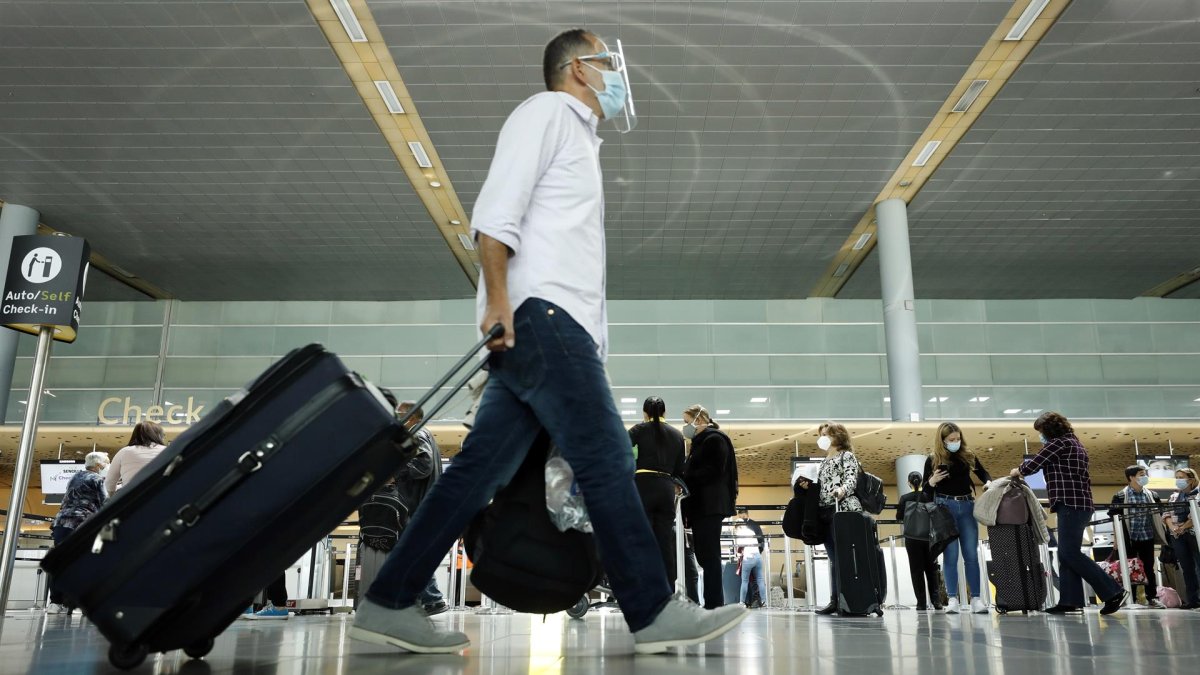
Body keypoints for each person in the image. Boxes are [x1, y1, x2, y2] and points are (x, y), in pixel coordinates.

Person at [350, 28, 747, 655]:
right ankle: (651, 610)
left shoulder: (580, 140)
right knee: (608, 456)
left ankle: (388, 599)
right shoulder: (546, 113)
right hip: (544, 318)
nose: (617, 73)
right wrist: (501, 304)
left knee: (475, 473)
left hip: (548, 325)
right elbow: (495, 209)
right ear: (579, 70)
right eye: (607, 62)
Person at [1010, 412, 1125, 615]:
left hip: (1071, 504)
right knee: (1066, 553)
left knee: (1070, 553)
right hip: (1080, 504)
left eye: (1041, 432)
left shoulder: (1058, 444)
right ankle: (1070, 600)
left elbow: (1032, 465)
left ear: (1049, 430)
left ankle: (1113, 591)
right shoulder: (1075, 443)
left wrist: (1016, 471)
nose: (1041, 436)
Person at [922, 422, 990, 614]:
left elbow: (983, 473)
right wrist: (932, 481)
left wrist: (989, 482)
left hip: (967, 506)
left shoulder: (968, 456)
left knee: (971, 555)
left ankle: (976, 598)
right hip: (945, 508)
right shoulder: (932, 459)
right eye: (951, 440)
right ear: (942, 441)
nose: (956, 442)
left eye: (958, 439)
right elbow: (926, 491)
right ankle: (952, 598)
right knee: (950, 556)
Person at [681, 404, 739, 610]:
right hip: (702, 506)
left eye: (687, 422)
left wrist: (686, 476)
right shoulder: (700, 442)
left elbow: (714, 471)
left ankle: (714, 602)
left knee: (710, 554)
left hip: (710, 505)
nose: (685, 426)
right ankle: (713, 601)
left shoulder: (714, 439)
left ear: (699, 419)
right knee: (705, 554)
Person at [394, 400, 448, 616]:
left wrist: (397, 466)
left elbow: (422, 467)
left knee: (413, 554)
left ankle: (432, 599)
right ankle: (425, 599)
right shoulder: (423, 434)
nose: (397, 418)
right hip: (425, 505)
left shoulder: (416, 434)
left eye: (400, 415)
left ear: (413, 417)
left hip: (418, 506)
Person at [629, 396, 686, 588]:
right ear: (664, 413)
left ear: (645, 412)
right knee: (664, 540)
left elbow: (619, 451)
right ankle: (667, 588)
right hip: (666, 487)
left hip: (643, 485)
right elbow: (680, 468)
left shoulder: (637, 430)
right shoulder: (677, 435)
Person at [47, 452, 109, 615]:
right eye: (106, 464)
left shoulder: (74, 477)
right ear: (98, 466)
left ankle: (55, 603)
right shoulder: (97, 479)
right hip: (81, 522)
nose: (106, 467)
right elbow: (105, 502)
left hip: (62, 522)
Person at [814, 422, 862, 616]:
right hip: (826, 511)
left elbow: (852, 479)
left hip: (843, 510)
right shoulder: (825, 460)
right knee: (834, 559)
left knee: (844, 558)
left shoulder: (846, 456)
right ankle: (835, 599)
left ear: (837, 436)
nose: (822, 438)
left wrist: (841, 490)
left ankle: (847, 599)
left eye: (826, 434)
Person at [1108, 465, 1165, 609]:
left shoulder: (1152, 495)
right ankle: (1130, 599)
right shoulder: (1120, 496)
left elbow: (1160, 514)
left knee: (1148, 568)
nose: (1144, 477)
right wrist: (1117, 539)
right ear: (1131, 477)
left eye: (1145, 474)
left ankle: (1151, 597)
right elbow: (1115, 518)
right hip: (1129, 538)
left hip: (1147, 536)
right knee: (1128, 568)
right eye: (1141, 474)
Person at [897, 472, 942, 612]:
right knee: (932, 570)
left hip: (912, 538)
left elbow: (899, 517)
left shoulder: (905, 498)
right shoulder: (928, 496)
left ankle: (921, 603)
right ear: (922, 482)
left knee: (916, 571)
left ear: (909, 483)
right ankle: (936, 601)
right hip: (929, 538)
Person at [1163, 468, 1200, 609]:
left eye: (1181, 477)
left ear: (1191, 479)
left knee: (1198, 565)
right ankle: (1192, 600)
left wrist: (1183, 527)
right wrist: (1173, 527)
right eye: (1177, 477)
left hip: (1194, 533)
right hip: (1177, 536)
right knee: (1187, 568)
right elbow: (1166, 514)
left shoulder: (1198, 495)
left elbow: (1197, 515)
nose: (1178, 480)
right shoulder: (1174, 497)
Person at [105, 421, 167, 493]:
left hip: (132, 498)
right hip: (162, 496)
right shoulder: (168, 450)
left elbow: (109, 482)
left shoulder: (124, 452)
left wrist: (113, 497)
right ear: (159, 436)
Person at [731, 509, 766, 609]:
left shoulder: (739, 533)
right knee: (760, 579)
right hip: (758, 557)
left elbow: (739, 545)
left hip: (748, 557)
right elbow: (760, 540)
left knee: (745, 581)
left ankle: (742, 602)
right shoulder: (751, 530)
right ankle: (764, 601)